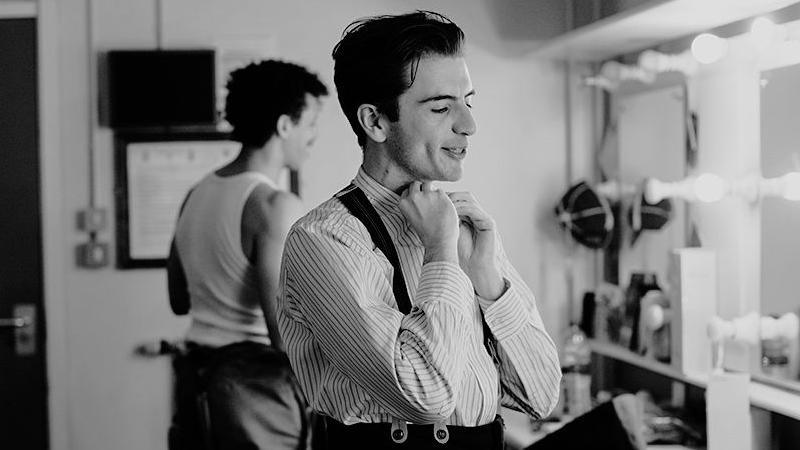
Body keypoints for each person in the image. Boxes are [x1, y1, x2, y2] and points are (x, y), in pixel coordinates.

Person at [277, 11, 561, 450]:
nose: (468, 124)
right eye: (442, 107)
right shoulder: (323, 241)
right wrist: (441, 255)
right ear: (375, 121)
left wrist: (486, 278)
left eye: (468, 101)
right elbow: (424, 396)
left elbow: (541, 396)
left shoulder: (461, 229)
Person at [167, 59, 328, 450]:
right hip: (253, 392)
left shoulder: (197, 192)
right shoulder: (274, 205)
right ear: (284, 125)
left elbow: (178, 299)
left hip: (195, 384)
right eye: (310, 124)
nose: (314, 136)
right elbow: (283, 331)